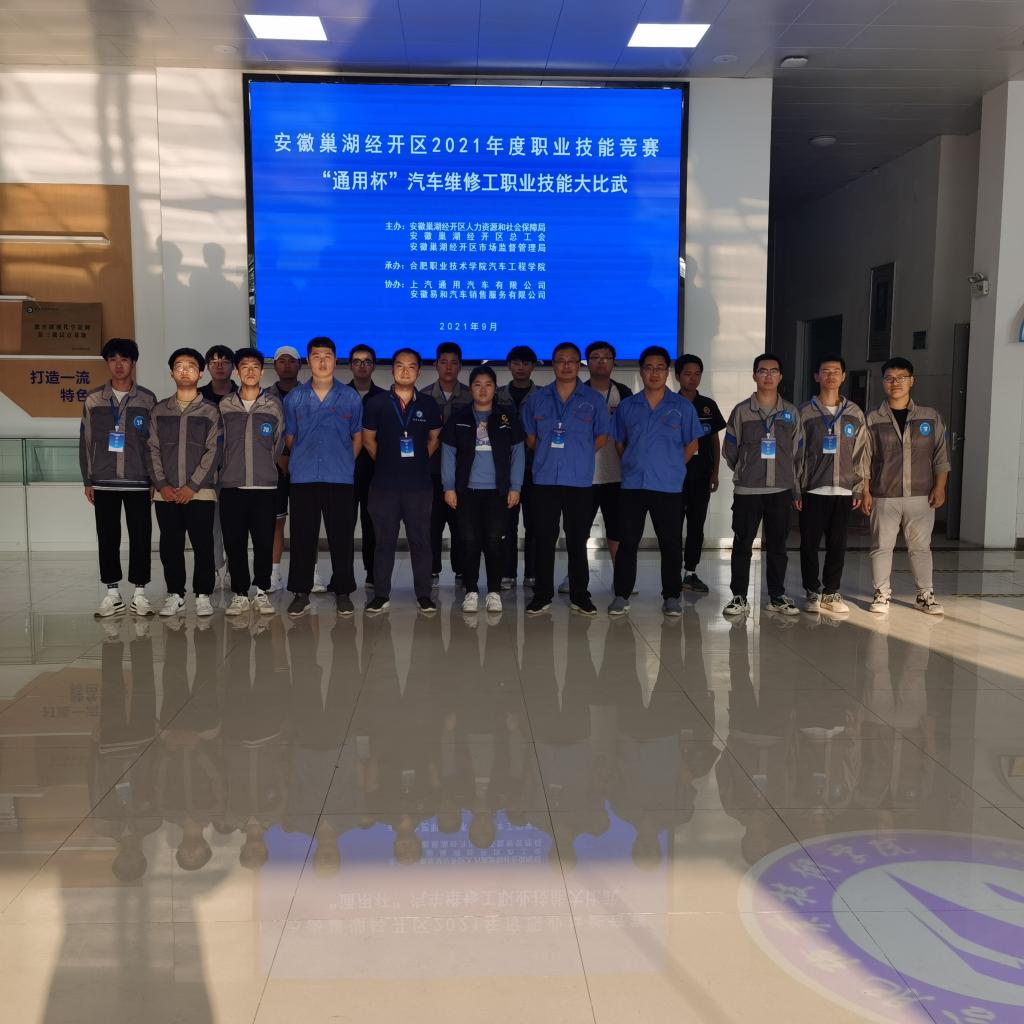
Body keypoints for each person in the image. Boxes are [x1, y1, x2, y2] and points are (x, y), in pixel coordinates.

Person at [609, 346, 702, 617]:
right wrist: (634, 463)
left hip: (668, 486)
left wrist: (671, 467)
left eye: (660, 368)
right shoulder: (628, 406)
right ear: (641, 371)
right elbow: (619, 443)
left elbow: (692, 445)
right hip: (633, 485)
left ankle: (671, 596)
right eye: (649, 367)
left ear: (667, 372)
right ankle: (621, 594)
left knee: (670, 543)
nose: (654, 373)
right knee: (628, 542)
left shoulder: (682, 407)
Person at [521, 342, 610, 616]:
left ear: (578, 364)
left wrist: (577, 455)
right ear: (553, 364)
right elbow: (531, 437)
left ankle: (579, 595)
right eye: (561, 360)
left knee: (577, 540)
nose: (567, 365)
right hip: (544, 479)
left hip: (579, 481)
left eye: (572, 360)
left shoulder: (594, 400)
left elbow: (601, 437)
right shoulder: (537, 399)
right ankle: (542, 594)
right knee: (544, 539)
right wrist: (550, 456)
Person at [282, 336, 364, 619]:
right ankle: (300, 592)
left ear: (335, 359)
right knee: (303, 536)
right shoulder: (295, 398)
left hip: (339, 477)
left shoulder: (350, 397)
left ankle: (343, 591)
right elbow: (290, 438)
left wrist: (344, 461)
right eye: (316, 356)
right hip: (304, 477)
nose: (322, 361)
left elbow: (357, 437)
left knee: (341, 537)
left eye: (327, 356)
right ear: (308, 361)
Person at [862, 356, 949, 615]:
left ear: (912, 381)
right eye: (889, 378)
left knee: (920, 547)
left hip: (921, 495)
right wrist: (865, 491)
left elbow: (941, 456)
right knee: (881, 547)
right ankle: (881, 594)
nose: (895, 383)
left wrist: (940, 487)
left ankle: (925, 595)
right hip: (884, 494)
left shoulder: (930, 416)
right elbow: (864, 459)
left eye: (901, 378)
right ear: (883, 382)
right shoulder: (872, 419)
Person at [80, 337, 158, 618]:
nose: (118, 364)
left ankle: (140, 593)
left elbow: (154, 444)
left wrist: (155, 480)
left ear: (133, 363)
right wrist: (88, 480)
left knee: (141, 536)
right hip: (104, 481)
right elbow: (86, 441)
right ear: (107, 363)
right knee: (108, 537)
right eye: (112, 359)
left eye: (124, 359)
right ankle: (112, 593)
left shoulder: (147, 399)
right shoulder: (94, 399)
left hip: (139, 481)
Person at [362, 348, 443, 614]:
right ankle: (381, 595)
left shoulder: (429, 404)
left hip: (419, 487)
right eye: (400, 365)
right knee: (383, 542)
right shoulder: (376, 403)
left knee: (421, 541)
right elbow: (368, 440)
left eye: (411, 366)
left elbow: (434, 439)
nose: (405, 371)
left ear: (419, 371)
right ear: (392, 369)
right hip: (384, 486)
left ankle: (424, 595)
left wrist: (416, 461)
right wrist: (388, 461)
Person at [722, 353, 803, 618]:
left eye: (773, 371)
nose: (768, 376)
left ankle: (777, 596)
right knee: (742, 543)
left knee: (778, 545)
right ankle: (739, 596)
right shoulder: (741, 411)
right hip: (748, 491)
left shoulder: (791, 413)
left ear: (780, 376)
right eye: (762, 371)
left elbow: (798, 452)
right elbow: (730, 450)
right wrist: (747, 470)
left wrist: (792, 484)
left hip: (780, 490)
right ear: (754, 375)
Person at [441, 365, 525, 615]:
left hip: (498, 492)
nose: (483, 389)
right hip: (466, 491)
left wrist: (516, 487)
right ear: (471, 388)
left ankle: (494, 592)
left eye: (488, 384)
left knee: (495, 541)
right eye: (477, 384)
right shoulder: (459, 417)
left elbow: (518, 454)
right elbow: (448, 454)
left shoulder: (506, 418)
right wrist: (449, 487)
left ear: (495, 389)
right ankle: (471, 591)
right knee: (468, 541)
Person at [148, 348, 222, 617]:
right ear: (171, 373)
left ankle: (203, 595)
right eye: (179, 366)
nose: (185, 370)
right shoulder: (159, 410)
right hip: (166, 493)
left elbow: (214, 451)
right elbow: (152, 448)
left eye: (191, 366)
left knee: (203, 544)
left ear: (201, 373)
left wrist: (192, 486)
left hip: (200, 492)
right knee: (170, 545)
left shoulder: (211, 411)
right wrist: (162, 484)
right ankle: (175, 594)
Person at [796, 354, 868, 615]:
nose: (831, 375)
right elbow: (796, 454)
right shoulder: (804, 412)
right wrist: (797, 488)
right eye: (825, 371)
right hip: (813, 489)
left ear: (844, 376)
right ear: (816, 376)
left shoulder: (854, 412)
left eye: (836, 371)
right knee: (809, 544)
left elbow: (861, 453)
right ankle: (812, 591)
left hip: (844, 489)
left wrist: (859, 487)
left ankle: (831, 591)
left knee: (838, 544)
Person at [218, 347, 286, 617]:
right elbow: (219, 444)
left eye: (255, 366)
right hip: (233, 485)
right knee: (234, 542)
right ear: (237, 372)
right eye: (244, 366)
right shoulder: (225, 405)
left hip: (265, 486)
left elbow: (278, 443)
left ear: (262, 372)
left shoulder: (273, 405)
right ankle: (239, 593)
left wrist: (264, 465)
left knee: (263, 541)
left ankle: (261, 590)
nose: (250, 371)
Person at [559, 340, 631, 594]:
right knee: (578, 530)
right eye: (595, 357)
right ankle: (574, 576)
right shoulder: (577, 392)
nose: (601, 361)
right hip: (582, 476)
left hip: (617, 475)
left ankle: (621, 578)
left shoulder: (624, 393)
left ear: (613, 362)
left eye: (606, 357)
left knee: (617, 530)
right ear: (586, 363)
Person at [674, 353, 727, 593]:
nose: (693, 378)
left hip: (701, 475)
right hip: (674, 477)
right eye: (687, 374)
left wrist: (715, 472)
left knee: (696, 525)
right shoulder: (669, 404)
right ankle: (672, 572)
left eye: (697, 374)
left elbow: (715, 441)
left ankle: (690, 572)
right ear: (678, 376)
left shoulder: (708, 405)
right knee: (673, 526)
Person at [426, 341, 471, 585]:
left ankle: (462, 570)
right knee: (432, 523)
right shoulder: (423, 396)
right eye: (443, 362)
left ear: (460, 366)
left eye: (454, 363)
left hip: (462, 472)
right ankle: (432, 570)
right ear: (436, 365)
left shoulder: (471, 395)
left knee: (461, 524)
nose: (448, 367)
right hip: (431, 470)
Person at [267, 345, 310, 593]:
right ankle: (274, 573)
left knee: (306, 523)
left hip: (305, 467)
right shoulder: (265, 396)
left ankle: (311, 571)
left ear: (300, 365)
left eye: (291, 361)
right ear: (275, 366)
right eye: (281, 361)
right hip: (275, 470)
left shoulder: (310, 394)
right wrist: (280, 456)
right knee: (277, 522)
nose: (286, 365)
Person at [496, 344, 539, 590]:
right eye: (516, 363)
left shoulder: (543, 396)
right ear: (509, 366)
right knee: (506, 524)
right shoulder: (496, 395)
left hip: (535, 470)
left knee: (534, 523)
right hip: (504, 470)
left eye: (525, 363)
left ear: (533, 367)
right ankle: (507, 572)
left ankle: (532, 572)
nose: (520, 368)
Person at [198, 344, 238, 588]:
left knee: (234, 523)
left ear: (233, 367)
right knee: (208, 523)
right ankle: (213, 566)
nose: (219, 366)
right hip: (206, 470)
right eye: (214, 362)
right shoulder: (198, 396)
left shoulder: (243, 395)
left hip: (236, 468)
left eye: (224, 361)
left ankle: (234, 567)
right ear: (207, 367)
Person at [347, 344, 386, 589]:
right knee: (343, 527)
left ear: (374, 366)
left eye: (367, 361)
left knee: (373, 525)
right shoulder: (339, 395)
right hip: (345, 472)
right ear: (350, 365)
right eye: (357, 361)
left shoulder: (384, 398)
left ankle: (373, 574)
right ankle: (342, 576)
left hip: (374, 471)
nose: (362, 365)